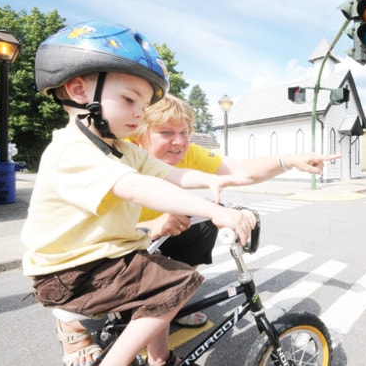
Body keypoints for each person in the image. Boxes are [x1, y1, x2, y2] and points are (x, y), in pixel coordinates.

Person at [21, 20, 256, 366]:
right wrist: (216, 212)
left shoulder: (119, 148)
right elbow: (138, 186)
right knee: (176, 282)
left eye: (143, 105)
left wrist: (211, 181)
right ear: (78, 90)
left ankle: (160, 359)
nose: (138, 113)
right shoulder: (72, 149)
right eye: (130, 99)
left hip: (102, 259)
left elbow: (169, 173)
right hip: (70, 272)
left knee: (159, 277)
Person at [130, 94, 340, 327]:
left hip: (159, 234)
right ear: (141, 133)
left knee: (205, 224)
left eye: (184, 132)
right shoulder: (122, 154)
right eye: (166, 133)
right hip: (118, 240)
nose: (179, 142)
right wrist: (148, 227)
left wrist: (289, 160)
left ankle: (173, 303)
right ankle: (80, 335)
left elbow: (240, 170)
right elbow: (87, 227)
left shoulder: (187, 152)